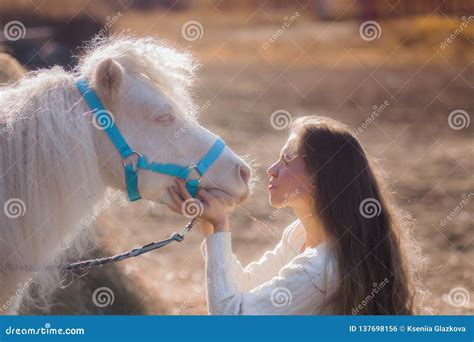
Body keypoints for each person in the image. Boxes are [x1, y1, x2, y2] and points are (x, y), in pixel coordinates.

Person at [167, 116, 428, 315]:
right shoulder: (300, 231)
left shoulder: (320, 270)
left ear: (319, 178)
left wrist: (220, 224)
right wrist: (208, 223)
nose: (271, 169)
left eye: (287, 160)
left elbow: (230, 316)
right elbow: (246, 285)